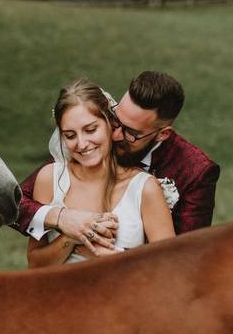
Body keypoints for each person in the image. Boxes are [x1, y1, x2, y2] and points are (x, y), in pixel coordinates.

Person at [16, 71, 219, 258]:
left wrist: (102, 253)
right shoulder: (90, 145)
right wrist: (64, 220)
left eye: (131, 132)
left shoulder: (195, 171)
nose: (116, 134)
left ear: (162, 134)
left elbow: (185, 257)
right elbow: (17, 204)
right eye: (115, 120)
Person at [26, 78, 175, 267]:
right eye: (70, 135)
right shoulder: (49, 178)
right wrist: (70, 238)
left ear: (110, 124)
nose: (81, 144)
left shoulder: (144, 188)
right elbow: (35, 266)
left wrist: (108, 257)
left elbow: (170, 268)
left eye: (90, 130)